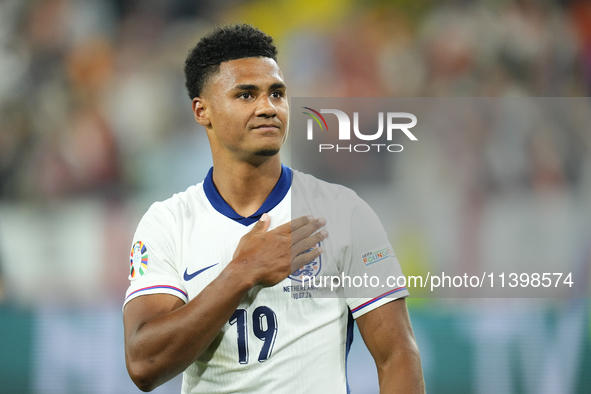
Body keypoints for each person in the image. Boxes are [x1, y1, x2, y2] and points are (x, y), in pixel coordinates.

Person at [123, 24, 425, 393]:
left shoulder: (343, 213)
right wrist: (243, 272)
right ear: (203, 111)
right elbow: (143, 364)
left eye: (276, 93)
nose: (267, 107)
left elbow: (397, 355)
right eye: (246, 95)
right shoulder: (167, 223)